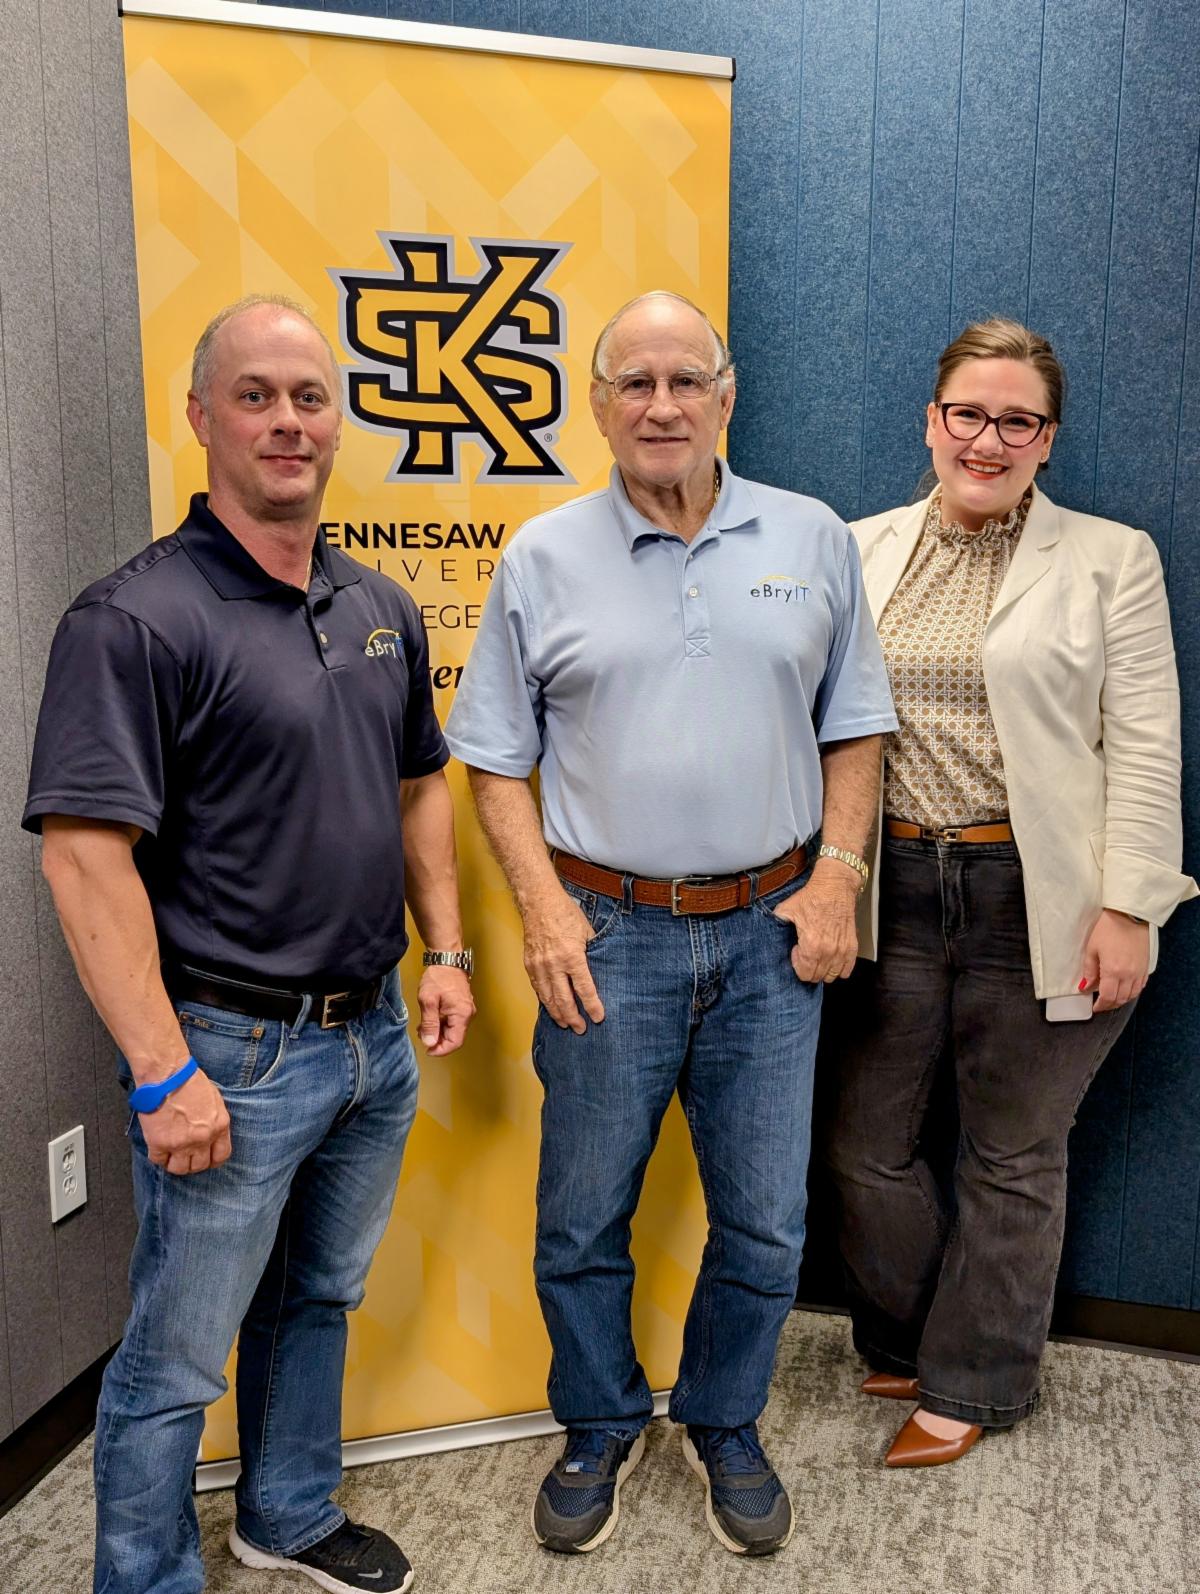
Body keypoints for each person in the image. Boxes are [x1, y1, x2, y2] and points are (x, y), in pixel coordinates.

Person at [23, 295, 475, 1594]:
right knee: (176, 1353)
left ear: (340, 418)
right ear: (202, 415)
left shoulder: (377, 600)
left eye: (310, 395)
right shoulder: (136, 619)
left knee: (318, 1295)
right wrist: (164, 1071)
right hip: (228, 1046)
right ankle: (146, 1576)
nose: (289, 420)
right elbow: (81, 851)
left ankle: (286, 1508)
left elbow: (416, 784)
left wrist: (444, 949)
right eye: (258, 394)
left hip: (372, 1034)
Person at [444, 291, 897, 1556]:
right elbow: (492, 760)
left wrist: (838, 877)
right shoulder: (542, 554)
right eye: (633, 383)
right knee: (583, 1210)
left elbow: (855, 724)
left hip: (771, 936)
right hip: (605, 936)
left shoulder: (809, 537)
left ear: (726, 394)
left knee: (765, 1217)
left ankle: (724, 1415)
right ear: (596, 405)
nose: (660, 405)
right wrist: (541, 911)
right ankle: (595, 1420)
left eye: (684, 380)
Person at [821, 316, 1196, 1468]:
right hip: (886, 883)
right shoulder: (853, 546)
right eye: (967, 414)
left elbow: (1142, 743)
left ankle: (974, 1379)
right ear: (931, 421)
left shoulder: (1109, 558)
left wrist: (1131, 904)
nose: (988, 438)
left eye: (1016, 420)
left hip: (1036, 895)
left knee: (1013, 1153)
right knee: (862, 1145)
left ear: (1048, 437)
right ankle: (911, 1330)